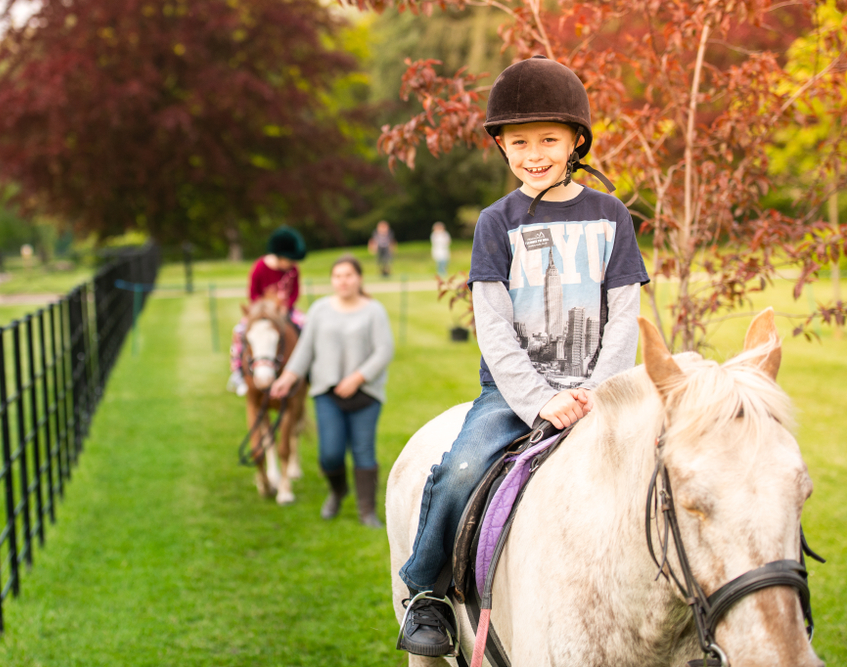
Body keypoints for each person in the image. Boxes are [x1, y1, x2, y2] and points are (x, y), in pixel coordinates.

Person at [395, 54, 650, 657]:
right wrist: (542, 399)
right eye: (519, 142)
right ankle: (425, 591)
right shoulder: (495, 223)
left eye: (548, 140)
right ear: (502, 148)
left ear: (575, 142)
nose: (534, 153)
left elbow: (624, 317)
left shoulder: (610, 215)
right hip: (516, 395)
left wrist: (597, 391)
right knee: (460, 467)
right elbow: (494, 330)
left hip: (600, 389)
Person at [270, 254, 394, 528]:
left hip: (366, 395)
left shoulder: (374, 311)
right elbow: (305, 349)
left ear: (359, 278)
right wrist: (287, 378)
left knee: (364, 453)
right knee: (330, 454)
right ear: (332, 280)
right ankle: (338, 492)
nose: (343, 281)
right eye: (338, 276)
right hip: (327, 393)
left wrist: (357, 378)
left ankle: (367, 511)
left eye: (349, 275)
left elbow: (384, 350)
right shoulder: (319, 310)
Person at [227, 226, 308, 396]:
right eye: (289, 259)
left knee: (306, 326)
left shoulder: (293, 270)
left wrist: (287, 306)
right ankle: (238, 372)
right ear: (279, 255)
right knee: (239, 331)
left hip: (285, 310)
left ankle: (308, 371)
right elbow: (253, 293)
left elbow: (295, 292)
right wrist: (265, 309)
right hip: (262, 312)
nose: (292, 264)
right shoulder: (260, 267)